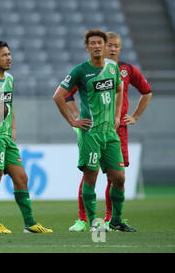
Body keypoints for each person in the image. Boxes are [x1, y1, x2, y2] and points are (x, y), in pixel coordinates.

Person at [66, 32, 152, 232]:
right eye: (109, 45)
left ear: (119, 48)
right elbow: (64, 95)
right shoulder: (84, 70)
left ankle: (112, 219)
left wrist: (133, 116)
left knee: (117, 178)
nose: (111, 49)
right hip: (93, 129)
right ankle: (83, 219)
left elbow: (144, 91)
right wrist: (76, 117)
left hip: (117, 130)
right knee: (91, 173)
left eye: (115, 46)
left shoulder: (124, 69)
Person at [0, 41, 53, 234]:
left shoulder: (10, 79)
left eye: (9, 54)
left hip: (6, 136)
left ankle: (30, 223)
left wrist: (13, 126)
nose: (9, 58)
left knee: (21, 177)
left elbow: (9, 106)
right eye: (4, 55)